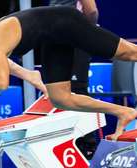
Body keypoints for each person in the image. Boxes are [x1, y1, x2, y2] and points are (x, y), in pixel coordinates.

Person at [0, 6, 137, 139]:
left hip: (67, 22)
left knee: (128, 54)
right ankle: (124, 112)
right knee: (61, 99)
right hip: (52, 38)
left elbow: (0, 84)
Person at [49, 0, 98, 159]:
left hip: (74, 38)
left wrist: (86, 34)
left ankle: (88, 146)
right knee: (59, 91)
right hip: (57, 38)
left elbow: (91, 11)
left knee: (76, 91)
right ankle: (68, 142)